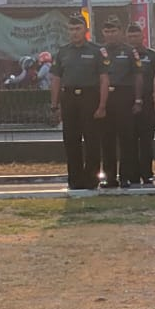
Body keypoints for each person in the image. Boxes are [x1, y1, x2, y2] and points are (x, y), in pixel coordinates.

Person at [50, 14, 109, 190]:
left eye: (78, 29)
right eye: (71, 29)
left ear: (86, 31)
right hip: (69, 98)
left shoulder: (97, 51)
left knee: (92, 140)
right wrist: (54, 105)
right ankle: (74, 180)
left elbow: (104, 79)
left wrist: (102, 105)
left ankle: (91, 180)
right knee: (71, 140)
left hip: (89, 97)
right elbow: (56, 79)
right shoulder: (63, 52)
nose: (74, 33)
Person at [99, 18, 144, 189]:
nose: (110, 34)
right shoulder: (99, 51)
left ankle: (125, 176)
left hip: (124, 97)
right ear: (103, 33)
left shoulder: (130, 51)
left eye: (114, 31)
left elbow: (138, 76)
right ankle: (109, 177)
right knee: (106, 140)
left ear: (120, 31)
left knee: (127, 140)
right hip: (105, 97)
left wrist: (138, 99)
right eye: (107, 31)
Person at [127, 23, 155, 186]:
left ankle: (147, 174)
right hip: (126, 102)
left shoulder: (152, 56)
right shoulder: (123, 55)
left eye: (136, 36)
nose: (133, 39)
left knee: (146, 141)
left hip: (147, 102)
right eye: (130, 36)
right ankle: (132, 175)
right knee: (129, 140)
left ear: (142, 37)